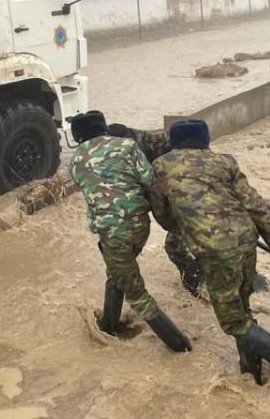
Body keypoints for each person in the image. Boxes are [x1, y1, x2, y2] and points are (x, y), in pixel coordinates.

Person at [150, 119, 270, 384]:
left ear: (174, 142)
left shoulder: (161, 166)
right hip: (246, 242)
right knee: (243, 313)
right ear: (206, 140)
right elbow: (254, 203)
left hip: (215, 252)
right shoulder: (225, 161)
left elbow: (163, 214)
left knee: (233, 324)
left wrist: (188, 223)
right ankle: (251, 373)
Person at [69, 110, 191, 352]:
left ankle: (180, 346)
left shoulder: (76, 160)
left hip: (113, 234)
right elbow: (149, 180)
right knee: (117, 274)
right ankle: (109, 326)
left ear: (79, 136)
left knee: (138, 296)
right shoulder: (128, 146)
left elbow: (92, 193)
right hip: (140, 227)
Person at [107, 123, 205, 297]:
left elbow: (194, 158)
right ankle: (198, 278)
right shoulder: (127, 154)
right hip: (172, 192)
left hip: (191, 188)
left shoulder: (158, 141)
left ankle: (199, 282)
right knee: (179, 241)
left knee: (177, 244)